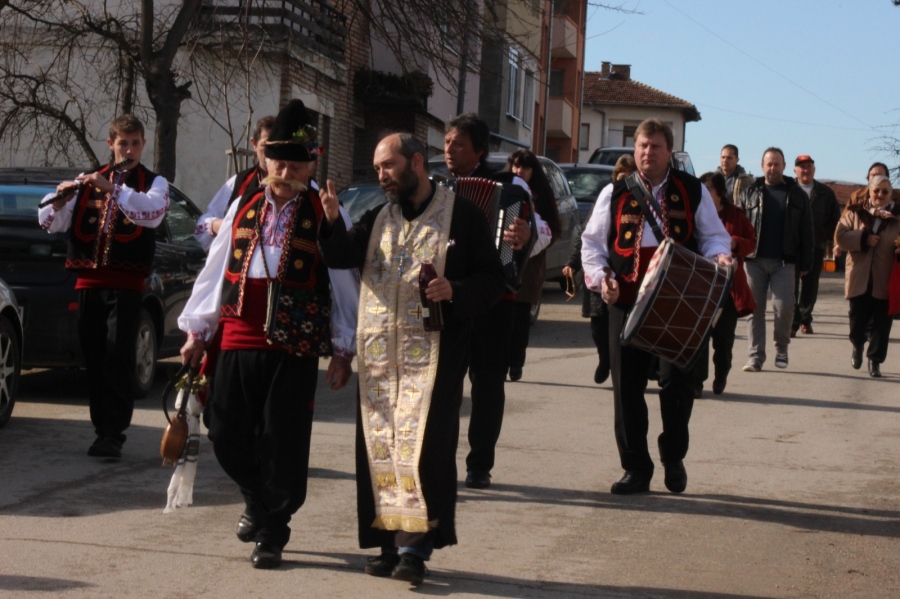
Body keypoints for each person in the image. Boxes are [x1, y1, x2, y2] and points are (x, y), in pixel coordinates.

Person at [317, 132, 506, 585]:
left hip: (435, 357)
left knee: (422, 450)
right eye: (378, 167)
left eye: (388, 165)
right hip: (381, 358)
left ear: (416, 162)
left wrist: (454, 291)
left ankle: (414, 549)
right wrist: (329, 221)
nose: (381, 175)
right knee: (380, 446)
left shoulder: (461, 214)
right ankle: (387, 540)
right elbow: (343, 255)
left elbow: (493, 279)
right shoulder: (380, 215)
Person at [178, 99, 358, 570]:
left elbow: (343, 284)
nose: (286, 170)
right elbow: (215, 270)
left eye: (296, 163)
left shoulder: (326, 212)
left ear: (310, 165)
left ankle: (274, 530)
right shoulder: (244, 203)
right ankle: (258, 500)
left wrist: (343, 349)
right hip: (238, 334)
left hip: (293, 343)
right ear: (265, 159)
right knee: (224, 430)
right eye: (279, 161)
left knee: (283, 438)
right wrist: (198, 330)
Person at [581, 118, 733, 495]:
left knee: (678, 381)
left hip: (676, 300)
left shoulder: (691, 189)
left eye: (656, 147)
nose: (648, 153)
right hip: (627, 298)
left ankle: (673, 453)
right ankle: (636, 468)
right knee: (626, 388)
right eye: (643, 146)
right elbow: (592, 245)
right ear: (635, 150)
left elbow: (714, 237)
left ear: (670, 151)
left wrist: (721, 258)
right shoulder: (614, 193)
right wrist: (603, 280)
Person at [38, 114, 170, 460]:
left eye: (136, 143)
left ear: (143, 144)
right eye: (123, 143)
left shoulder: (153, 183)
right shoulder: (88, 181)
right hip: (88, 282)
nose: (129, 148)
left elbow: (152, 213)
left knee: (118, 354)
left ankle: (113, 432)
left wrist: (111, 187)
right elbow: (51, 224)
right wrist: (61, 199)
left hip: (126, 285)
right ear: (110, 145)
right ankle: (102, 428)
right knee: (94, 355)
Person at [443, 112, 553, 490]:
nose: (449, 150)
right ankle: (441, 457)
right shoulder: (436, 188)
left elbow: (541, 233)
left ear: (480, 150)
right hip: (449, 296)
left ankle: (479, 464)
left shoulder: (510, 189)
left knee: (488, 382)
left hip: (496, 298)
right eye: (446, 142)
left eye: (458, 143)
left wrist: (524, 236)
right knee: (445, 382)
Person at [737, 147, 813, 372]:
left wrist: (806, 263)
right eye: (769, 164)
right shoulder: (749, 192)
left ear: (784, 166)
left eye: (777, 164)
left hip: (784, 262)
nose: (773, 168)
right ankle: (755, 356)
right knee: (754, 310)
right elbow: (740, 226)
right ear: (762, 166)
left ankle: (781, 348)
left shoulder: (797, 193)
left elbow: (807, 231)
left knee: (785, 307)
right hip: (754, 260)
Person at [563, 154, 636, 385]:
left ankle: (618, 368)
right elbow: (587, 237)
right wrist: (573, 263)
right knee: (598, 327)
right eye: (620, 176)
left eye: (628, 176)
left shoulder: (639, 202)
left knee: (619, 329)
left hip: (622, 274)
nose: (623, 180)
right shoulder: (606, 198)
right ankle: (604, 358)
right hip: (599, 272)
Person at [691, 172, 757, 396]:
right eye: (703, 188)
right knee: (698, 338)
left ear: (720, 192)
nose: (706, 192)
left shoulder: (736, 215)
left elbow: (751, 242)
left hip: (727, 289)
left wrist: (734, 244)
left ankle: (721, 374)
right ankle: (697, 382)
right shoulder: (693, 214)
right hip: (699, 287)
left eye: (709, 188)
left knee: (723, 340)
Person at [834, 175, 900, 378]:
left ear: (891, 195)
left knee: (882, 323)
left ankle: (875, 361)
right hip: (859, 275)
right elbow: (840, 236)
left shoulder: (897, 217)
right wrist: (863, 238)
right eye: (876, 191)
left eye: (884, 192)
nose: (880, 195)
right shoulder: (855, 212)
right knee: (857, 320)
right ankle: (857, 345)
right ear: (869, 191)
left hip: (884, 277)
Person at [506, 149, 561, 382]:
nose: (519, 171)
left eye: (524, 167)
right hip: (505, 261)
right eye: (515, 166)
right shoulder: (505, 188)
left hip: (529, 267)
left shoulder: (542, 195)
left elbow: (554, 229)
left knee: (520, 319)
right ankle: (501, 360)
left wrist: (533, 239)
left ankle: (516, 362)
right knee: (503, 317)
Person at [194, 115, 275, 250]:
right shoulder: (239, 182)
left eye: (276, 145)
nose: (272, 152)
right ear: (254, 144)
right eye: (266, 145)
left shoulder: (300, 186)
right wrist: (227, 226)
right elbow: (202, 225)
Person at [791, 155, 841, 336]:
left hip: (815, 246)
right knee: (790, 285)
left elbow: (835, 218)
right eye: (801, 167)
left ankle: (805, 319)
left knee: (810, 286)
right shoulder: (789, 190)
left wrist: (825, 236)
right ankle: (793, 322)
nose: (806, 170)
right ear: (795, 171)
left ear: (814, 169)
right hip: (791, 246)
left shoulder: (825, 193)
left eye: (809, 166)